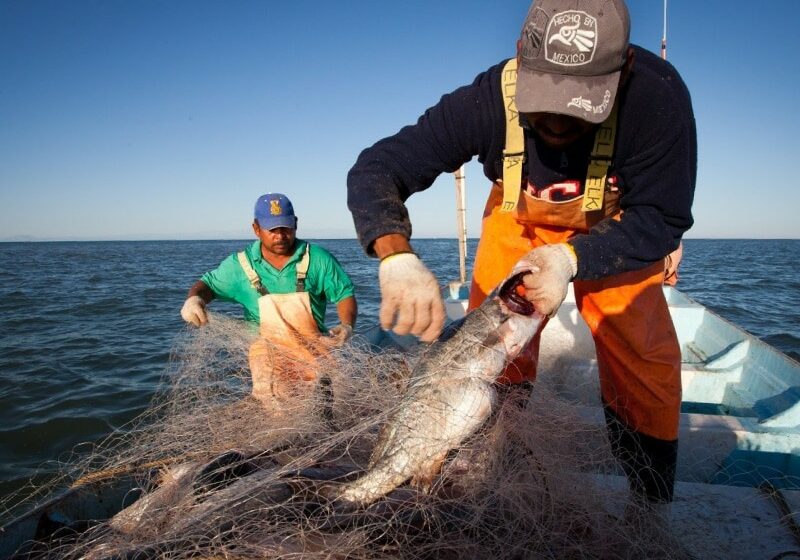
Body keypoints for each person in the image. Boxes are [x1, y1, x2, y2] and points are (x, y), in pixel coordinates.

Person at [346, 0, 695, 519]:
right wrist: (394, 255)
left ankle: (648, 508)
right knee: (493, 347)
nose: (556, 121)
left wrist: (570, 260)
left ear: (622, 73)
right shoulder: (486, 99)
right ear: (519, 56)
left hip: (614, 231)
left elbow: (662, 217)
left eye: (579, 104)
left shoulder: (657, 99)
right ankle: (485, 460)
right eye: (545, 96)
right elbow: (378, 168)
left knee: (642, 355)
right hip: (519, 219)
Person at [180, 192, 358, 409]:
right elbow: (207, 285)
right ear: (256, 228)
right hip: (268, 355)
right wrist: (195, 299)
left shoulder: (318, 258)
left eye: (286, 228)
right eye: (272, 229)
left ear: (296, 225)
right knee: (277, 405)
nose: (280, 235)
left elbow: (344, 294)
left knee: (330, 401)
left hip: (314, 348)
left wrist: (347, 325)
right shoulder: (240, 266)